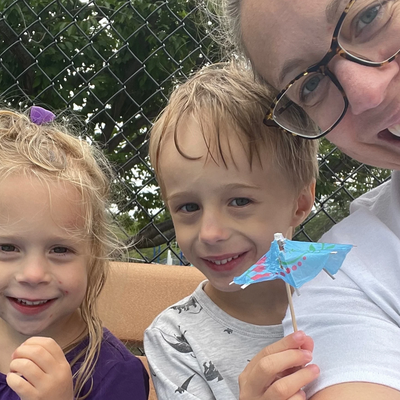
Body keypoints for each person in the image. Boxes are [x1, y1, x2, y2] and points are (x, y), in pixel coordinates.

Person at [212, 0, 400, 399]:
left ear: (301, 201)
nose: (365, 93)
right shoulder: (343, 279)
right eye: (309, 85)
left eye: (369, 15)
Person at [144, 62, 320, 399]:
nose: (210, 233)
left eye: (239, 201)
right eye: (188, 207)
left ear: (299, 203)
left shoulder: (347, 302)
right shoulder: (174, 338)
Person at [0, 107, 149, 400]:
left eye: (60, 249)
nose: (33, 274)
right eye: (7, 247)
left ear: (93, 257)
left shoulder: (113, 374)